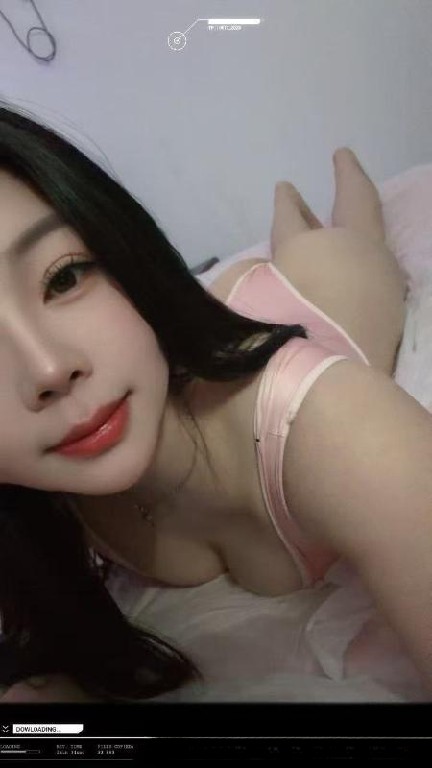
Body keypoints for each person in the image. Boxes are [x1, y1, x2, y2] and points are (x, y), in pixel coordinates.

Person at [0, 102, 428, 704]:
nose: (49, 369)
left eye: (64, 277)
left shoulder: (341, 428)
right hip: (220, 332)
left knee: (348, 236)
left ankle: (321, 185)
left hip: (324, 296)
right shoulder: (36, 508)